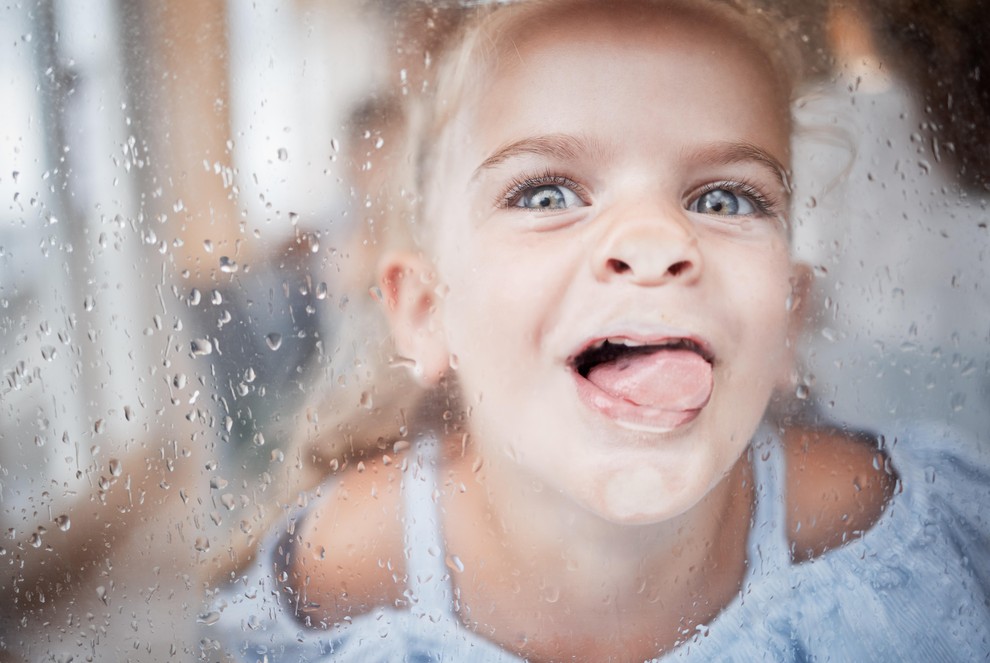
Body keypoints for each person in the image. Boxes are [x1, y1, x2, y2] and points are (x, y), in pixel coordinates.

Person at [209, 0, 990, 660]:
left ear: (788, 318)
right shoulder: (353, 563)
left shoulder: (868, 531)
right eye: (547, 193)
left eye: (725, 200)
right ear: (427, 311)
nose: (653, 242)